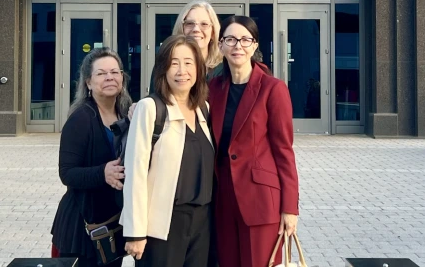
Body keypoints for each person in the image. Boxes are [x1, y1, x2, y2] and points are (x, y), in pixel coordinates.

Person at [208, 16, 299, 267]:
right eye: (230, 39)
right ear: (220, 45)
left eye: (245, 39)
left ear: (254, 45)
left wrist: (290, 208)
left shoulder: (273, 89)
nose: (238, 45)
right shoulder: (213, 88)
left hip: (261, 200)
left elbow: (284, 152)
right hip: (223, 197)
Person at [121, 35, 213, 267]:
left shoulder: (204, 109)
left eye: (189, 63)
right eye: (174, 63)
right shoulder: (150, 108)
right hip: (163, 224)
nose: (182, 70)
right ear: (163, 70)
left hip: (202, 222)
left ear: (199, 69)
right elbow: (135, 174)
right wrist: (135, 232)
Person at [51, 48, 133, 267]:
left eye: (115, 72)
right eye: (101, 73)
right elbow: (67, 173)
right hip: (80, 230)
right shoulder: (81, 119)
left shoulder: (125, 113)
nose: (109, 77)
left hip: (111, 228)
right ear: (88, 82)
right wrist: (102, 172)